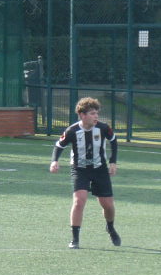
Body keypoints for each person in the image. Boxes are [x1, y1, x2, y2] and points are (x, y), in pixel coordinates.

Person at [49, 97, 120, 249]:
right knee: (79, 201)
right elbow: (59, 145)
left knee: (108, 205)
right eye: (92, 113)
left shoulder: (103, 128)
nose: (96, 116)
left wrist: (113, 162)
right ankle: (75, 239)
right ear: (82, 115)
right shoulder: (72, 131)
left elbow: (113, 141)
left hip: (100, 170)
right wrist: (54, 161)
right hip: (80, 170)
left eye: (97, 113)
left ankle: (110, 227)